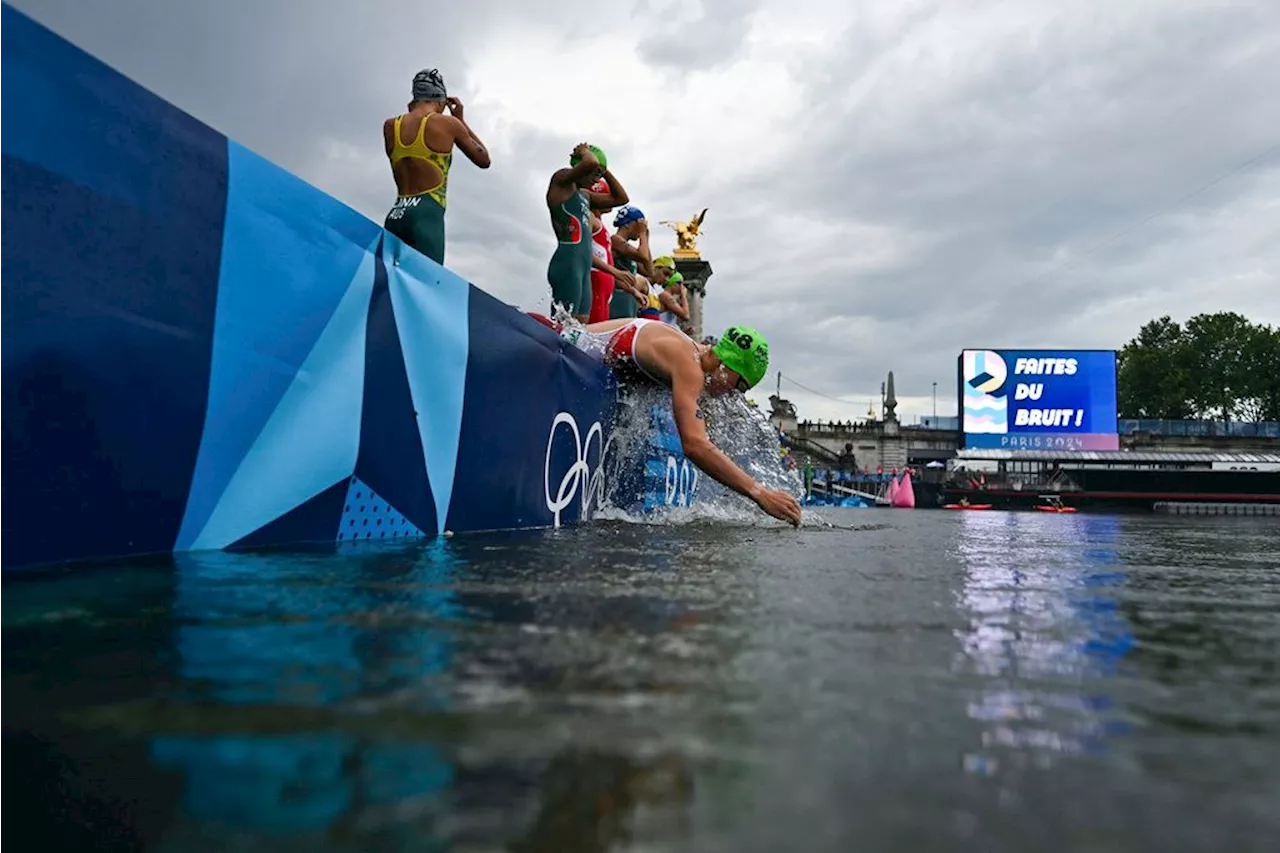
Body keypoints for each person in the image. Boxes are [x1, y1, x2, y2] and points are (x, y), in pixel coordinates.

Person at [529, 315, 802, 526]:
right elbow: (695, 445)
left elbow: (713, 442)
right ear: (727, 365)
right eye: (739, 385)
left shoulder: (698, 361)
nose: (733, 394)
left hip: (566, 357)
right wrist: (759, 493)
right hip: (548, 346)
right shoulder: (689, 365)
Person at [383, 69, 490, 265]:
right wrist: (460, 120)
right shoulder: (448, 124)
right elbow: (484, 159)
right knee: (426, 287)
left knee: (386, 289)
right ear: (440, 100)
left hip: (397, 214)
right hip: (426, 214)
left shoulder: (391, 126)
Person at [546, 144, 630, 322]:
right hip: (568, 262)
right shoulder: (561, 181)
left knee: (580, 326)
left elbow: (622, 198)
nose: (598, 180)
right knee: (563, 325)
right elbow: (590, 162)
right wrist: (585, 153)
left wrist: (605, 170)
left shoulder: (585, 196)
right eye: (596, 173)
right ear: (580, 166)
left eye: (601, 175)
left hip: (583, 267)